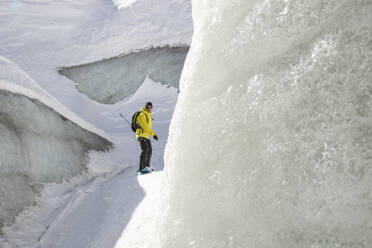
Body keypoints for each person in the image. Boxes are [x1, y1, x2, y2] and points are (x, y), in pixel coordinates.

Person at [136, 101, 158, 174]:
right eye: (148, 107)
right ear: (145, 107)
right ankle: (141, 168)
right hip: (141, 135)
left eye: (150, 107)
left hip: (146, 136)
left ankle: (147, 166)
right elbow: (145, 127)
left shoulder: (148, 115)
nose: (149, 109)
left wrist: (150, 134)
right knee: (145, 150)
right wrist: (153, 134)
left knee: (149, 151)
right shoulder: (142, 115)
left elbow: (147, 127)